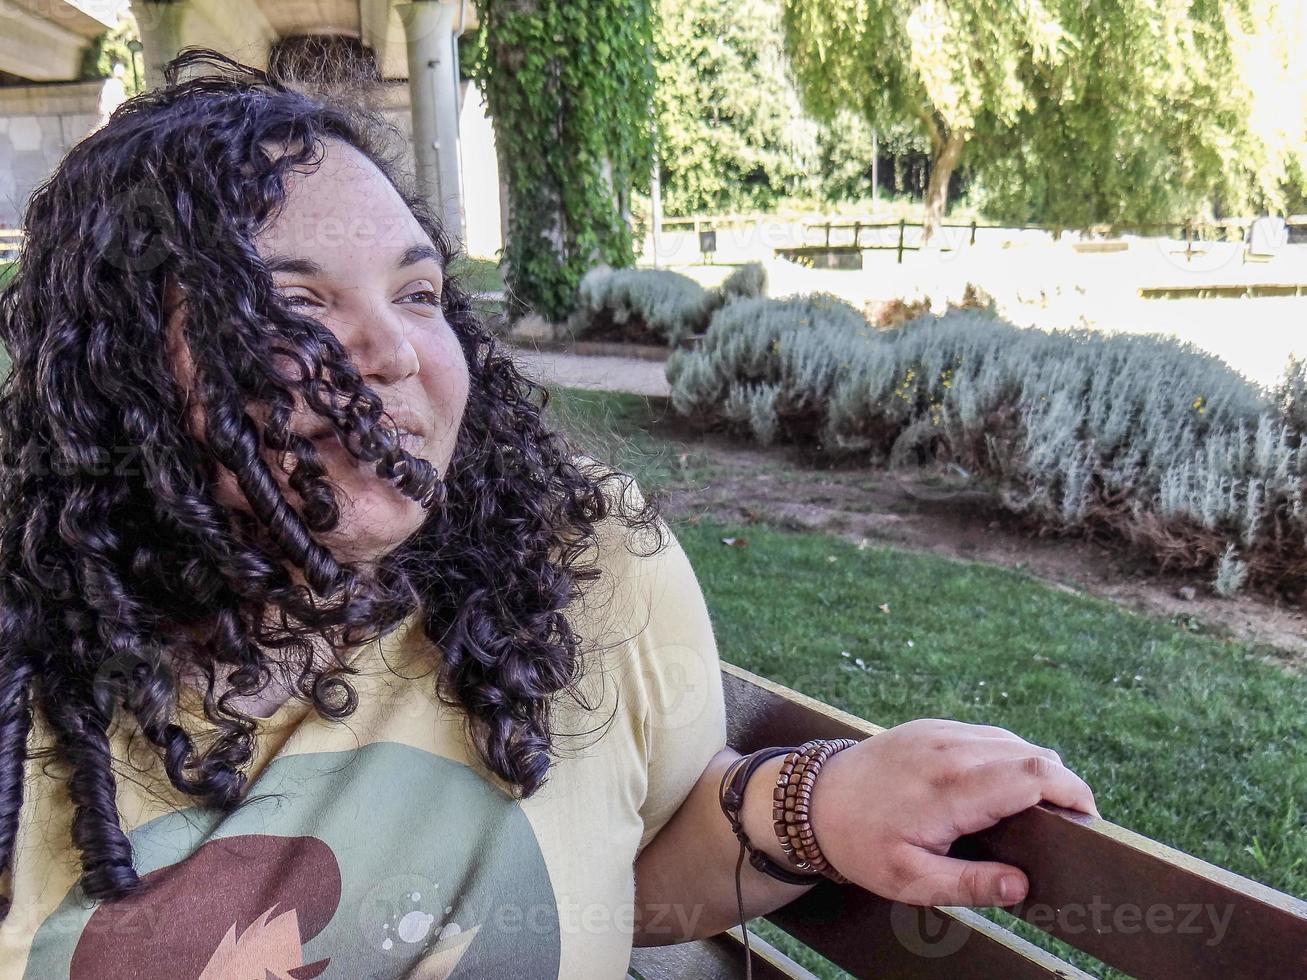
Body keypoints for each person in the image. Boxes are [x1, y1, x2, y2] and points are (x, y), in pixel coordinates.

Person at [0, 52, 1097, 979]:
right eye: (295, 305)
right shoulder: (31, 677)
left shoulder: (578, 559)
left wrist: (813, 800)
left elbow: (628, 867)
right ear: (121, 373)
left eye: (419, 293)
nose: (390, 355)